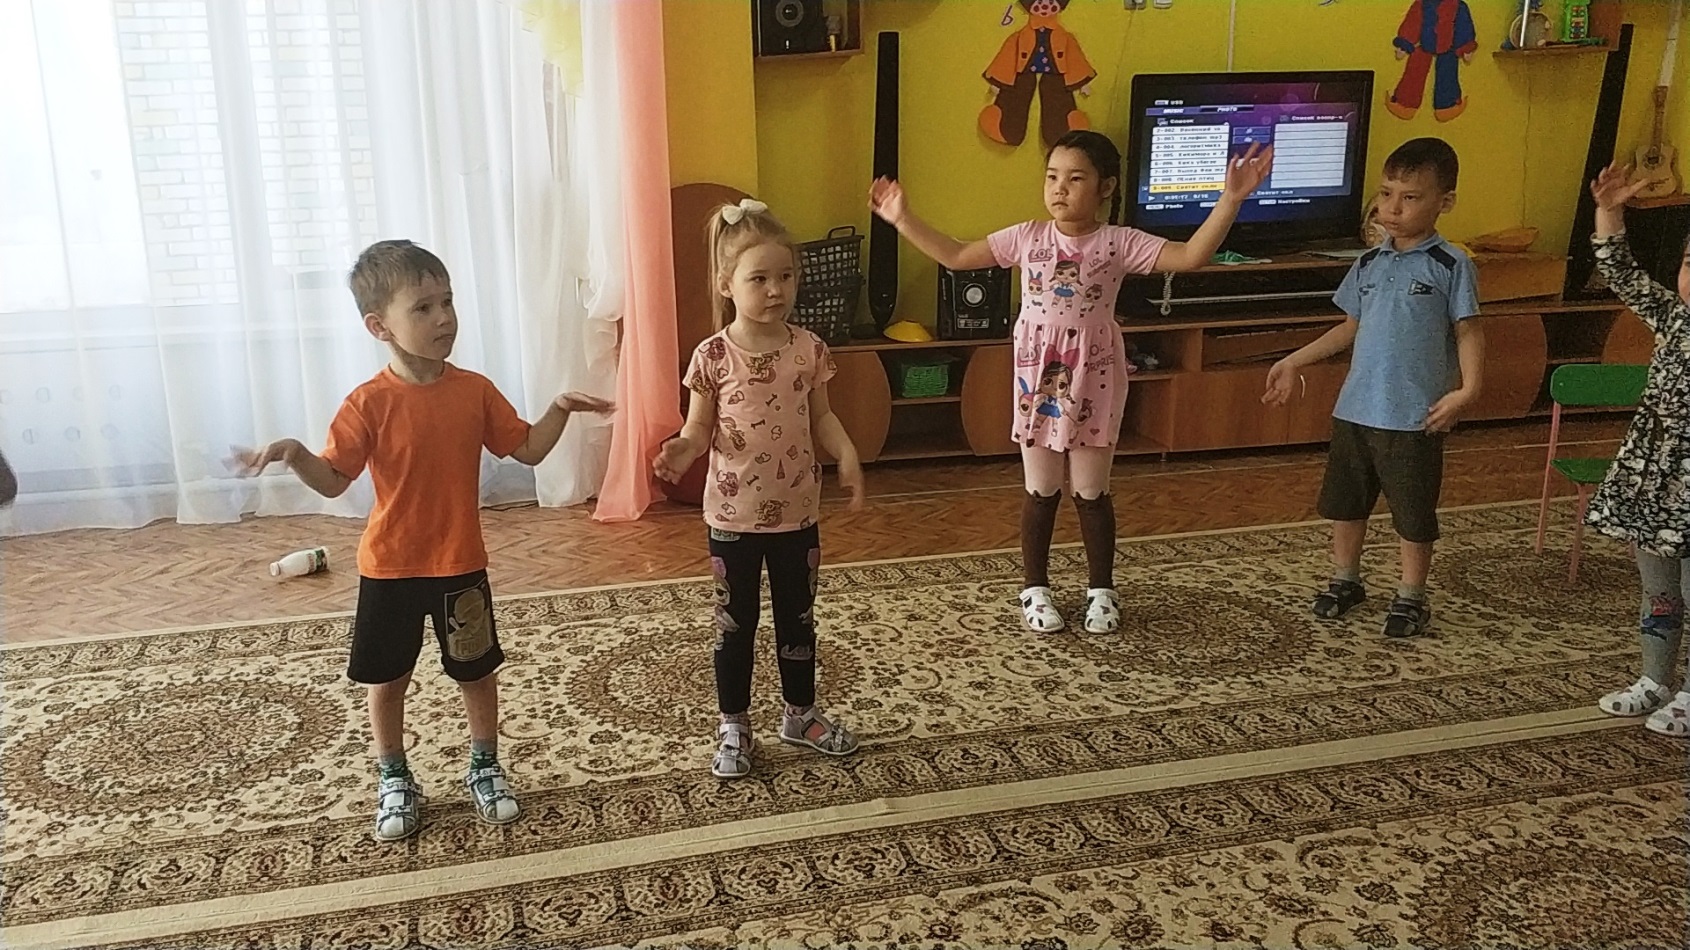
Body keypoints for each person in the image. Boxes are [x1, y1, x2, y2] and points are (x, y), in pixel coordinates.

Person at [234, 240, 612, 840]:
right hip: (389, 568)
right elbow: (333, 481)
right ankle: (394, 776)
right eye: (424, 307)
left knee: (476, 672)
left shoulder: (475, 390)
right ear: (379, 326)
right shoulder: (367, 404)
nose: (444, 318)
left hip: (460, 564)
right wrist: (295, 453)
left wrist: (560, 408)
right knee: (387, 680)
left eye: (448, 302)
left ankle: (484, 765)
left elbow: (528, 449)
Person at [869, 129, 1274, 635]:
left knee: (1091, 490)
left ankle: (1101, 590)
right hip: (1037, 379)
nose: (1060, 188)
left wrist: (1231, 199)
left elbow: (1191, 256)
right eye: (1052, 176)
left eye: (1075, 178)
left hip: (1096, 377)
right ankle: (1034, 588)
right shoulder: (1027, 237)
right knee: (1041, 489)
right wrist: (901, 218)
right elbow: (954, 255)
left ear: (1106, 187)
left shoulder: (1118, 242)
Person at [654, 199, 866, 779]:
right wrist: (682, 449)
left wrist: (847, 452)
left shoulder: (809, 349)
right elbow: (698, 429)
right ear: (727, 284)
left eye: (786, 276)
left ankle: (800, 715)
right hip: (732, 517)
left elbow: (822, 416)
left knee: (798, 619)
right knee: (735, 625)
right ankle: (734, 724)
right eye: (759, 279)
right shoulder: (712, 356)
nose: (776, 290)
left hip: (798, 514)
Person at [1263, 137, 1484, 638]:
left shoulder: (1452, 265)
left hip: (1414, 416)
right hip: (1355, 410)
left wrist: (1468, 390)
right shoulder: (1367, 263)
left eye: (1410, 197)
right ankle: (1346, 580)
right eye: (1386, 194)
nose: (1393, 208)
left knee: (1413, 512)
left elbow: (1469, 331)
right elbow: (1349, 328)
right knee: (1346, 503)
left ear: (1444, 202)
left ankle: (1411, 596)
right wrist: (1293, 360)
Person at [1582, 163, 1690, 735]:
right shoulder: (1673, 317)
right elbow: (1621, 271)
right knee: (1659, 589)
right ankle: (1655, 678)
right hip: (1654, 481)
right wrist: (1610, 211)